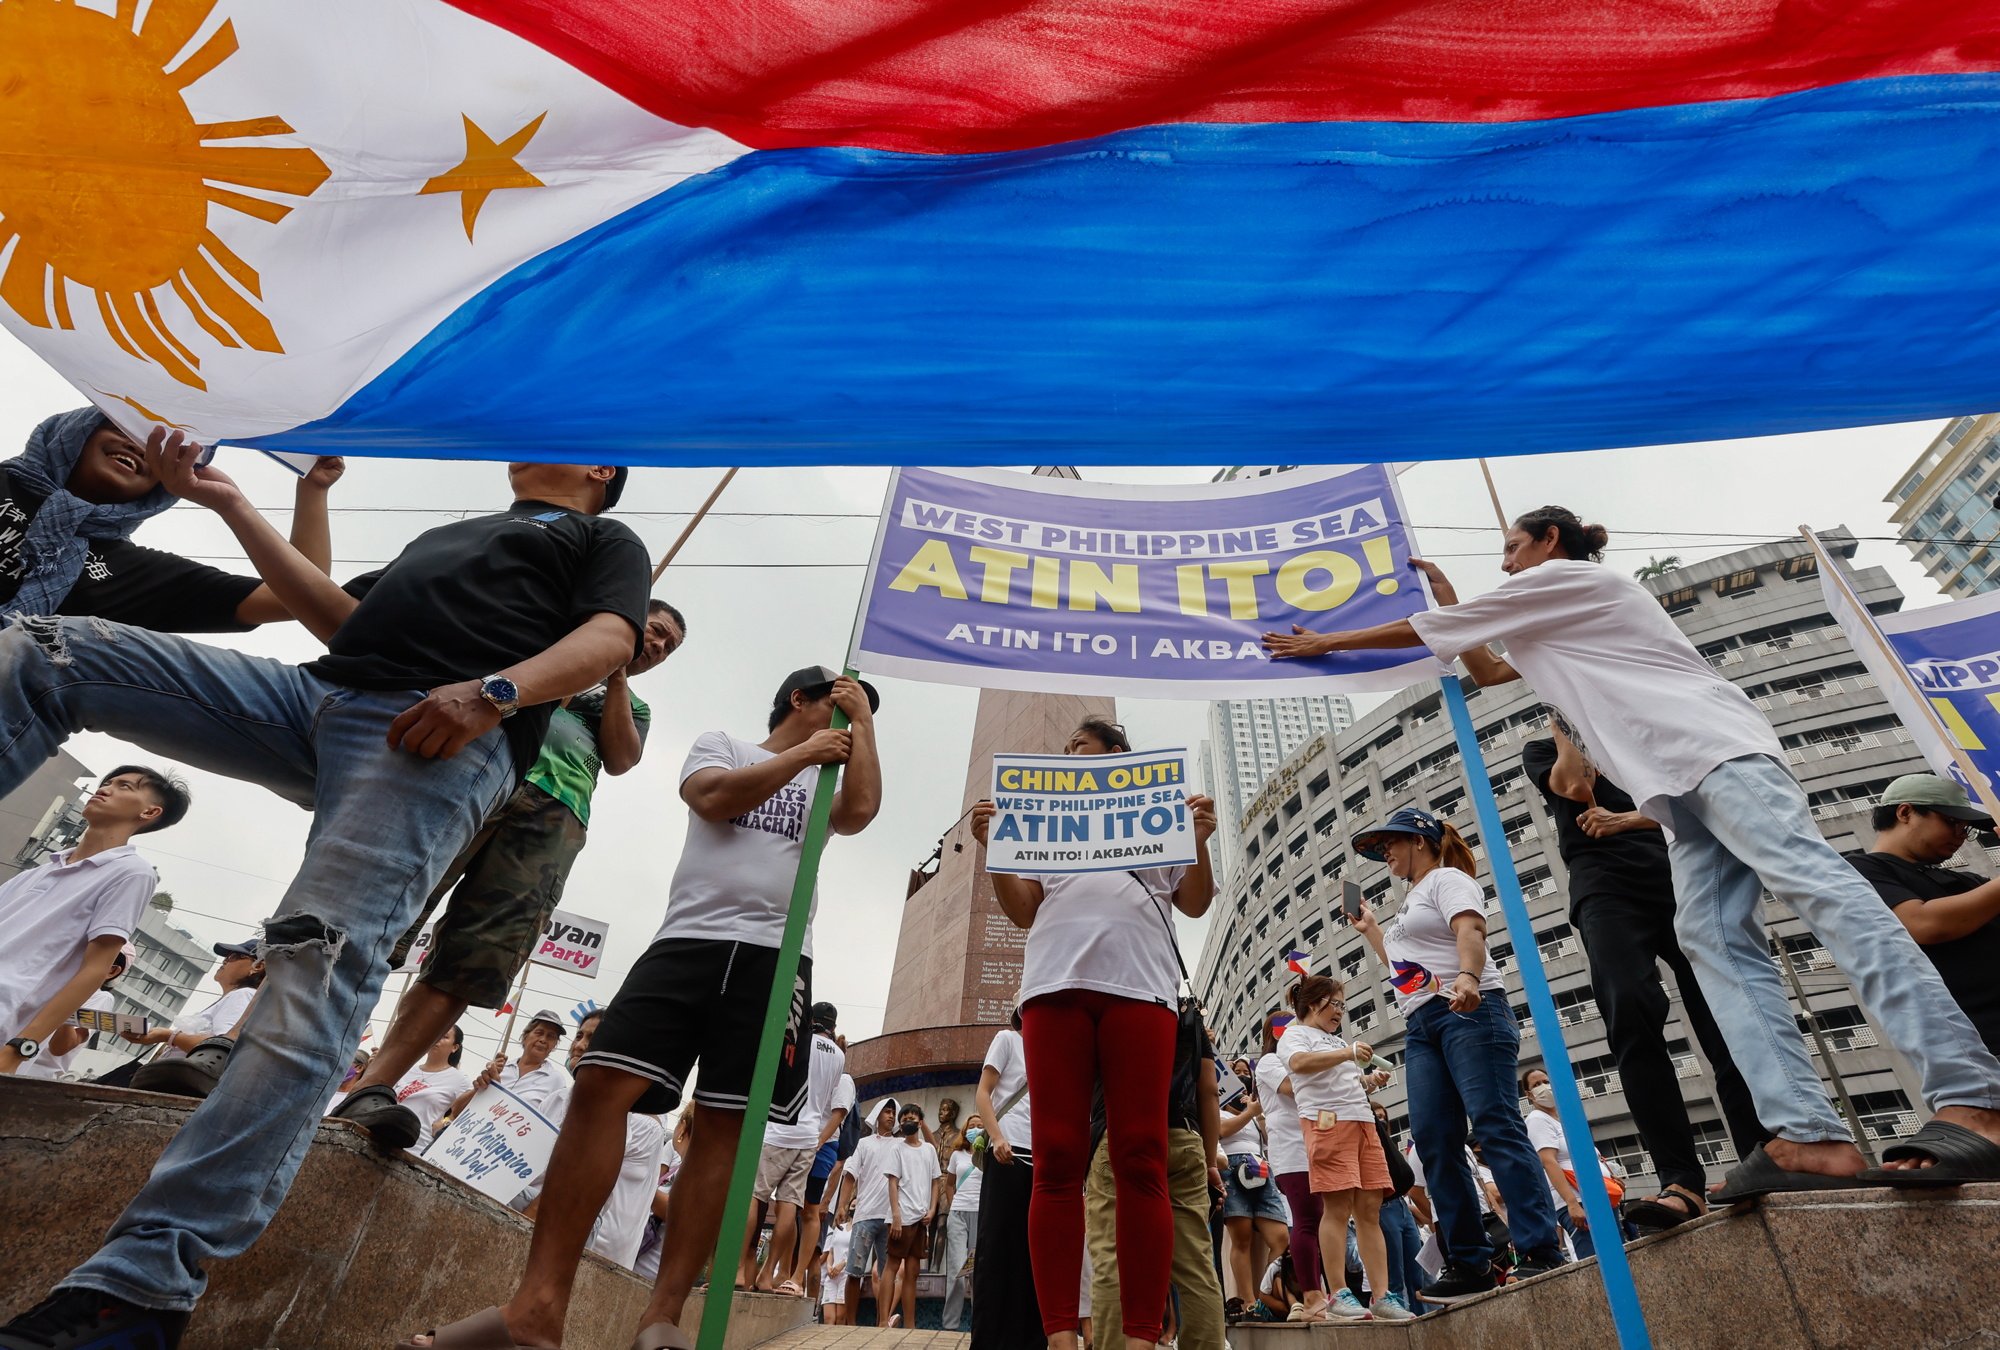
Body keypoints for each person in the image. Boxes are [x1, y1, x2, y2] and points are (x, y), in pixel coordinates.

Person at [0, 432, 653, 1348]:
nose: (533, 434)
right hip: (312, 697)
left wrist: (496, 693)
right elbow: (336, 617)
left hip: (434, 732)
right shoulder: (455, 534)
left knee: (315, 963)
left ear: (601, 473)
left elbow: (610, 638)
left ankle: (137, 1292)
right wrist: (227, 500)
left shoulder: (599, 542)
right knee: (43, 650)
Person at [1269, 507, 2000, 1195]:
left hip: (1717, 754)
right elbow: (1488, 671)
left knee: (1827, 893)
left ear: (1550, 540)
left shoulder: (1571, 579)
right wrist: (1459, 606)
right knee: (1713, 941)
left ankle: (1974, 1099)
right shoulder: (1551, 617)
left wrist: (1324, 642)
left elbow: (1434, 630)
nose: (1509, 565)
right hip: (1674, 790)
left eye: (1512, 551)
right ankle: (1808, 1135)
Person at [401, 666, 883, 1349]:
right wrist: (805, 753)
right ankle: (536, 1309)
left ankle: (662, 1319)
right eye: (838, 704)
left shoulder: (833, 778)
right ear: (801, 699)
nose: (847, 722)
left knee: (726, 1126)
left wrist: (862, 725)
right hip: (688, 939)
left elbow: (860, 814)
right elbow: (710, 798)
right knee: (600, 1086)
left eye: (858, 714)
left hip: (777, 960)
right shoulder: (725, 743)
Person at [337, 598, 685, 1148]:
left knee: (472, 960)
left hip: (555, 816)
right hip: (478, 770)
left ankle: (374, 1085)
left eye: (669, 648)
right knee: (374, 914)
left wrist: (615, 672)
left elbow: (621, 758)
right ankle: (287, 1050)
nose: (659, 647)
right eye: (656, 632)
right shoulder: (544, 647)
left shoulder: (632, 705)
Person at [970, 718, 1219, 1350]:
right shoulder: (1048, 822)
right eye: (1066, 752)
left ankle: (1140, 1337)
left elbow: (1194, 902)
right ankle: (1059, 1335)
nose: (1069, 757)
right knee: (1056, 1158)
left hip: (1142, 990)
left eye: (1079, 748)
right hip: (1053, 990)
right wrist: (994, 848)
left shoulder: (1155, 815)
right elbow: (1023, 908)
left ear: (1116, 757)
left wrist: (1199, 838)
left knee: (1141, 1153)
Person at [1521, 723, 1764, 1229]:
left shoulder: (1643, 737)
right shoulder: (1546, 745)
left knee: (1723, 1019)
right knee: (1631, 1013)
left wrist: (1631, 819)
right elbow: (1575, 788)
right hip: (1605, 889)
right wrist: (1565, 722)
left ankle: (1759, 1156)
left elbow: (1696, 813)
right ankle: (1680, 1180)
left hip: (1680, 880)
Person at [1341, 806, 1564, 1301]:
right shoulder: (1407, 907)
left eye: (1390, 844)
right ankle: (1470, 1261)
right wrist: (1373, 930)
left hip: (1470, 1010)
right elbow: (1405, 971)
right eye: (1380, 850)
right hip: (1422, 1022)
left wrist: (1467, 977)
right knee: (1434, 1139)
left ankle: (1540, 1248)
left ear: (1419, 841)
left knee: (1494, 1123)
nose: (1385, 855)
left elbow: (1471, 931)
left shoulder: (1447, 879)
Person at [1, 407, 342, 631]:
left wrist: (237, 506)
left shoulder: (130, 570)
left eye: (160, 449)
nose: (139, 446)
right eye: (126, 426)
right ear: (78, 429)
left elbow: (295, 600)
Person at [1, 767, 183, 1078]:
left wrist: (20, 1047)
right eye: (107, 782)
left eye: (124, 786)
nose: (106, 788)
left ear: (150, 811)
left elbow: (95, 968)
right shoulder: (39, 871)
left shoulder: (132, 872)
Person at [1084, 994, 1230, 1350]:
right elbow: (1209, 1092)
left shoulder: (1105, 1002)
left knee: (1112, 1257)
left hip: (1117, 1133)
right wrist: (1210, 1162)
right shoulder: (1188, 1018)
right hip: (1183, 1135)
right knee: (1196, 1263)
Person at [1278, 975, 1411, 1321]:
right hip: (1327, 1123)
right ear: (1313, 1002)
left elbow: (1342, 1079)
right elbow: (1298, 1065)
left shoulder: (1334, 1040)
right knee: (1336, 1208)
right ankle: (1337, 1293)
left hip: (1363, 1123)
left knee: (1369, 1210)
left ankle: (1381, 1296)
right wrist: (1347, 1053)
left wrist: (1368, 1079)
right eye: (1334, 1003)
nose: (1339, 1011)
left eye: (1342, 1005)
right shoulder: (1294, 1034)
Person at [1848, 774, 2000, 1055]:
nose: (1960, 837)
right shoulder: (1860, 869)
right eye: (1952, 822)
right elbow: (1924, 924)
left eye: (1966, 829)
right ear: (1905, 812)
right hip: (1973, 1045)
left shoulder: (1970, 881)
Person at [748, 1001, 849, 1295]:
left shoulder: (799, 1041)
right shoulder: (839, 1057)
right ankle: (768, 1276)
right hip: (809, 1138)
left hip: (781, 1128)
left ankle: (740, 1270)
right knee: (789, 1206)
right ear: (833, 1025)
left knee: (755, 1197)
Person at [972, 1014, 1040, 1349]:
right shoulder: (1007, 1040)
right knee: (995, 1246)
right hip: (1007, 1152)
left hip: (1041, 1159)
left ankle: (1028, 1339)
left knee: (1033, 1252)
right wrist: (997, 1137)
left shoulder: (1051, 1049)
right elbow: (983, 1094)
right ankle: (987, 1340)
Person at [119, 938, 264, 1095]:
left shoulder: (242, 995)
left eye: (234, 956)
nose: (225, 961)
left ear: (258, 966)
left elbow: (222, 1048)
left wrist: (167, 1035)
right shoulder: (236, 998)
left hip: (182, 1088)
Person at [1252, 1009, 1320, 1320]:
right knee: (1306, 1221)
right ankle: (1310, 1297)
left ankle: (1321, 1295)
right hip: (1290, 1151)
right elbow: (1292, 1089)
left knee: (1319, 1223)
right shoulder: (1268, 1062)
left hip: (1313, 1147)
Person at [1218, 1055, 1288, 1325]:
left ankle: (1265, 1295)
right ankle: (1249, 1301)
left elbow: (1270, 1139)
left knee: (1280, 1237)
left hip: (1259, 1167)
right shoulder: (1218, 1107)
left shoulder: (1255, 1113)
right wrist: (1248, 1112)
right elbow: (1221, 1130)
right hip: (1231, 1167)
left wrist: (1257, 1116)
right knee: (1242, 1238)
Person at [1520, 1068, 1617, 1260]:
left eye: (1546, 1081)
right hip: (1575, 1199)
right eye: (1537, 1085)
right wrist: (1571, 1203)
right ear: (1529, 1095)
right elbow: (1548, 1161)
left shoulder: (1564, 1117)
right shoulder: (1537, 1120)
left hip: (1597, 1193)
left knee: (1614, 1253)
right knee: (1595, 1259)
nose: (1544, 1088)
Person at [22, 942, 132, 1082]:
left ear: (112, 971)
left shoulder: (101, 998)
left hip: (32, 1076)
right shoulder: (47, 981)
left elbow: (60, 1048)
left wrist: (67, 1006)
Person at [842, 1098, 903, 1327]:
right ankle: (849, 1322)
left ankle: (882, 1321)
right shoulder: (863, 1144)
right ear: (877, 1114)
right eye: (887, 1111)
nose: (890, 1116)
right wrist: (842, 1205)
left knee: (889, 1271)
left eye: (893, 1112)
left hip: (890, 1218)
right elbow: (850, 1175)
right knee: (854, 1271)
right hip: (865, 1215)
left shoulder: (900, 1145)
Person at [453, 1011, 573, 1123]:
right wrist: (481, 1087)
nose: (543, 1040)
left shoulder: (556, 1080)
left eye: (551, 1037)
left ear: (554, 1045)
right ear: (525, 1036)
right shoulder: (499, 1068)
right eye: (539, 1033)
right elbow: (456, 1111)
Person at [884, 1102, 943, 1329]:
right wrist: (896, 1215)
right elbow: (892, 1182)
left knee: (912, 1272)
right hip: (902, 1217)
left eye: (913, 1116)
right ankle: (882, 1320)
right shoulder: (897, 1148)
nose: (909, 1120)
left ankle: (910, 1324)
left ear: (920, 1121)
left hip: (921, 1219)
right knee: (891, 1267)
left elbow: (935, 1182)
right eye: (905, 1117)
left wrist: (932, 1209)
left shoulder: (929, 1150)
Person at [380, 1025, 474, 1154]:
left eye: (445, 1036)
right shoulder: (407, 1068)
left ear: (454, 1047)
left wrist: (447, 1121)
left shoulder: (459, 1079)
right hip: (381, 1136)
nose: (438, 1039)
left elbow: (471, 1110)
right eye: (437, 1033)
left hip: (415, 1149)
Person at [1371, 1104, 1425, 1313]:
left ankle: (1422, 1317)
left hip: (1402, 1208)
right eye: (1377, 1116)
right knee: (1395, 1276)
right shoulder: (1370, 1146)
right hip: (1384, 1208)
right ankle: (1401, 1319)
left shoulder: (1391, 1147)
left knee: (1417, 1273)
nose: (1381, 1120)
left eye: (1384, 1117)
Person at [942, 1114, 983, 1332]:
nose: (975, 1129)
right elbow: (949, 1184)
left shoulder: (989, 1155)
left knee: (977, 1272)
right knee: (957, 1272)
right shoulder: (957, 1155)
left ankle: (979, 1327)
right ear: (965, 1130)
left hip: (981, 1216)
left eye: (979, 1126)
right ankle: (950, 1325)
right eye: (972, 1126)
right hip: (958, 1216)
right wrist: (952, 1205)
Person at [819, 1215, 852, 1326]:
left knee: (840, 1318)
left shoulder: (860, 1229)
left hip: (847, 1275)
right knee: (828, 1318)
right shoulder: (838, 1228)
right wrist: (829, 1266)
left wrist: (843, 1264)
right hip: (832, 1275)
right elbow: (831, 1252)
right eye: (852, 1206)